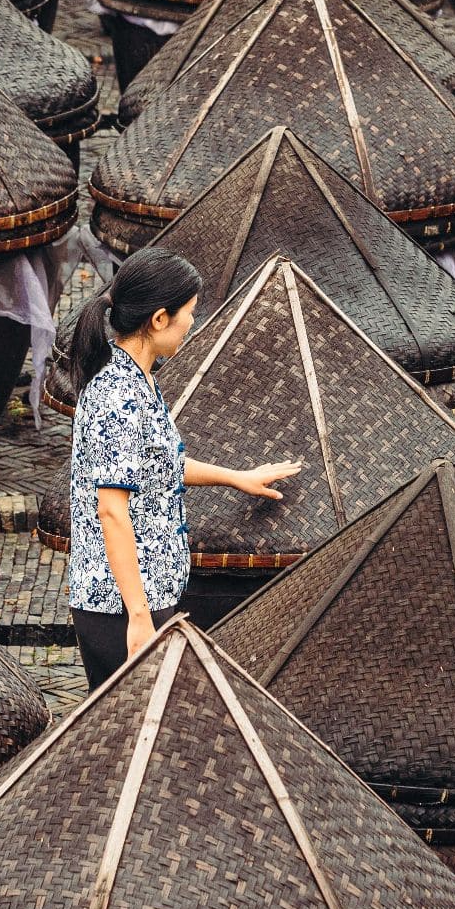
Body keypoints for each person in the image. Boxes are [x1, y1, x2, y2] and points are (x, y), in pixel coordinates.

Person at [64, 249, 302, 689]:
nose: (192, 323)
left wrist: (237, 478)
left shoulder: (138, 377)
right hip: (121, 607)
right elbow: (111, 511)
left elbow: (155, 466)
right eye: (189, 312)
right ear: (159, 319)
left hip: (149, 594)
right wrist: (139, 618)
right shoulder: (117, 396)